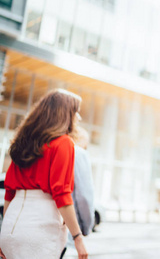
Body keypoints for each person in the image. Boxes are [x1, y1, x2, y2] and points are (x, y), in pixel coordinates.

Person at [0, 89, 88, 259]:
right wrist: (78, 237)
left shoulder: (23, 143)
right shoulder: (63, 143)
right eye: (76, 112)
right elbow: (61, 194)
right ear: (65, 114)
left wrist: (5, 234)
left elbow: (9, 193)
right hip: (40, 228)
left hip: (11, 227)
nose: (79, 118)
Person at [61, 127, 95, 258]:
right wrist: (87, 226)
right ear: (79, 139)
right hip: (70, 231)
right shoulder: (78, 153)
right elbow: (85, 196)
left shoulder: (56, 150)